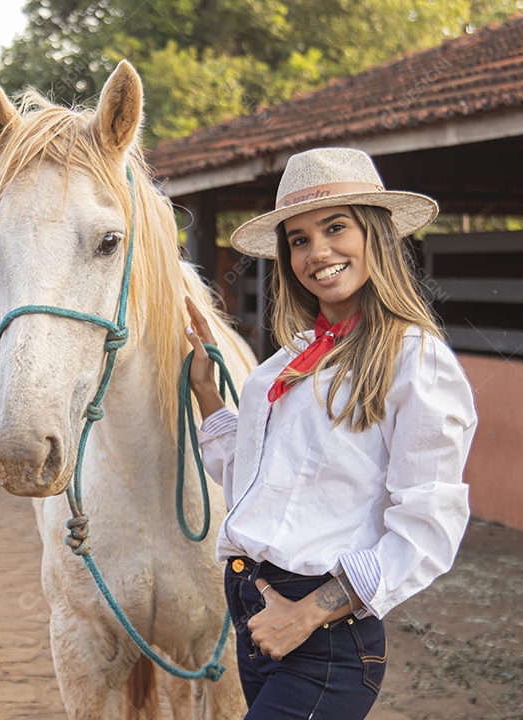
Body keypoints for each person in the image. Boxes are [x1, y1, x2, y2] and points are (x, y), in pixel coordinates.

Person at [184, 147, 477, 719]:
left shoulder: (415, 361)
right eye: (298, 239)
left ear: (377, 236)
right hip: (255, 612)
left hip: (323, 636)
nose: (317, 252)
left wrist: (309, 612)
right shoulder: (284, 364)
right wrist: (207, 394)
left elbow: (430, 526)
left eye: (335, 228)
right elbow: (257, 484)